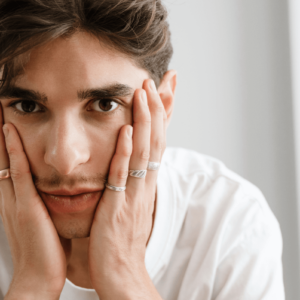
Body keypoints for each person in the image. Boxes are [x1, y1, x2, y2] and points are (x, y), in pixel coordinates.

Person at [0, 0, 285, 299]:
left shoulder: (230, 224)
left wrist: (125, 275)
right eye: (28, 106)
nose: (64, 159)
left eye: (104, 104)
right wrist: (32, 285)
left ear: (163, 104)